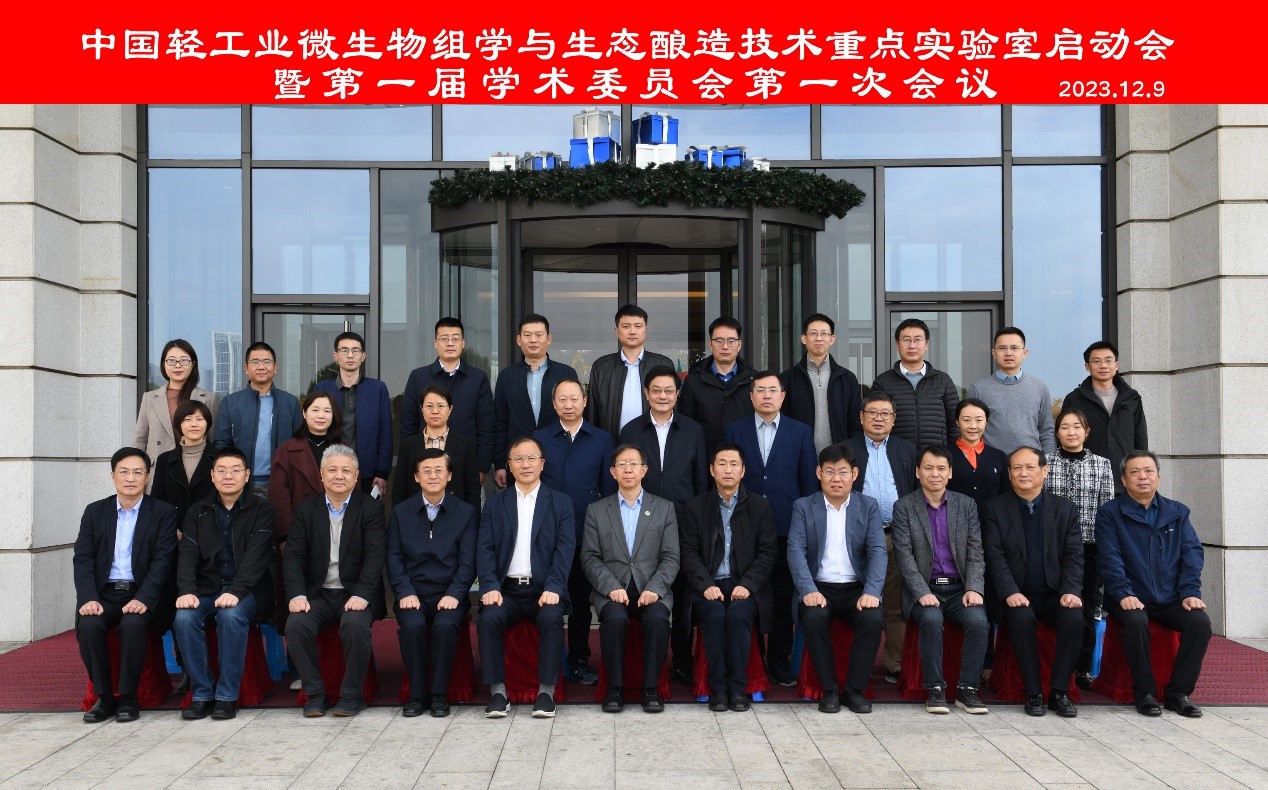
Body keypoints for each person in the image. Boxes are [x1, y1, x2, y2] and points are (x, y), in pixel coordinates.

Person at [1096, 450, 1210, 718]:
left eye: (1148, 471)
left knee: (1200, 623)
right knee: (1136, 622)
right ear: (1123, 480)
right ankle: (1145, 692)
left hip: (1171, 597)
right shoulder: (1110, 513)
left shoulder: (1177, 512)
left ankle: (1178, 693)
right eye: (1134, 472)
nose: (1142, 477)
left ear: (1158, 476)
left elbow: (1192, 554)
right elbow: (1109, 558)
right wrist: (1123, 593)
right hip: (1130, 596)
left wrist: (1189, 592)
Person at [723, 371, 818, 687]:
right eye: (760, 390)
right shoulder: (734, 430)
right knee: (746, 591)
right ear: (751, 396)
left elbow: (808, 484)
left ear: (782, 396)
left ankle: (778, 659)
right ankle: (754, 659)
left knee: (781, 594)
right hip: (744, 524)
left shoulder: (800, 432)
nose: (766, 395)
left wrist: (807, 528)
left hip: (786, 524)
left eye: (772, 390)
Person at [618, 365, 709, 684]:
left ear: (677, 394)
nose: (662, 396)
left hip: (683, 521)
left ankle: (682, 658)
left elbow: (700, 482)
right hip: (639, 522)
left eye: (669, 390)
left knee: (682, 593)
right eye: (656, 390)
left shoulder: (693, 430)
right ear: (646, 394)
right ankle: (644, 660)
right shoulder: (631, 430)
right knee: (643, 587)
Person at [74, 448, 178, 723]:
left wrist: (144, 597)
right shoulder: (95, 512)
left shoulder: (163, 512)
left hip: (142, 592)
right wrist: (88, 597)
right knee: (89, 625)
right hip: (103, 593)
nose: (130, 478)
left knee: (133, 624)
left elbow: (163, 561)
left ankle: (129, 697)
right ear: (113, 476)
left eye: (137, 472)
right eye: (124, 472)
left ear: (147, 477)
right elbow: (83, 558)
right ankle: (105, 697)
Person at [172, 446, 276, 721]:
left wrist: (236, 591)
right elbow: (187, 555)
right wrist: (187, 590)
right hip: (207, 589)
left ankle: (227, 696)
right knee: (184, 617)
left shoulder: (262, 509)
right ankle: (202, 693)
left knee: (231, 615)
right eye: (222, 471)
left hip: (249, 591)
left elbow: (256, 559)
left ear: (247, 475)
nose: (228, 476)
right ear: (212, 475)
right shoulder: (197, 512)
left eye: (235, 470)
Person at [980, 447, 1084, 718]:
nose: (1023, 473)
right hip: (1017, 594)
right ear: (1009, 474)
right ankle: (1033, 693)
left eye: (1030, 467)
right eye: (1017, 468)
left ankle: (1059, 692)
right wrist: (1010, 592)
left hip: (1054, 594)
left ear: (1044, 471)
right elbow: (995, 557)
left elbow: (1074, 556)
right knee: (1021, 617)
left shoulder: (1065, 509)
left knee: (1074, 618)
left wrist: (1071, 590)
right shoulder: (994, 508)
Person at [283, 445, 386, 718]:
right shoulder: (306, 510)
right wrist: (297, 595)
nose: (339, 476)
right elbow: (293, 556)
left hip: (354, 593)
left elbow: (375, 556)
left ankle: (351, 696)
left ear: (356, 476)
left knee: (354, 625)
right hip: (317, 594)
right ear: (321, 474)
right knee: (296, 625)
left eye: (346, 470)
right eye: (332, 470)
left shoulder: (371, 509)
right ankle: (315, 694)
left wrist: (363, 594)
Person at [476, 436, 574, 719]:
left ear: (542, 463)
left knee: (552, 617)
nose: (525, 464)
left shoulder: (560, 503)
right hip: (506, 590)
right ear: (509, 465)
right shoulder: (496, 503)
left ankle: (546, 692)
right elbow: (485, 548)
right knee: (489, 618)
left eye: (531, 458)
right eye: (518, 459)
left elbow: (564, 550)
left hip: (543, 590)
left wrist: (554, 587)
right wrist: (490, 586)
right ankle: (498, 692)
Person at [890, 445, 991, 715]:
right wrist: (922, 592)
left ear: (950, 473)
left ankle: (967, 690)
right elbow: (904, 557)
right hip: (925, 589)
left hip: (959, 589)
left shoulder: (966, 505)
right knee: (932, 619)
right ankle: (935, 689)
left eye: (941, 468)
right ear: (917, 472)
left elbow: (975, 551)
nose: (934, 474)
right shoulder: (904, 507)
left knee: (978, 621)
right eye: (928, 468)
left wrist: (974, 588)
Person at [787, 445, 887, 714]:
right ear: (819, 473)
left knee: (872, 618)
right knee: (813, 618)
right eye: (829, 472)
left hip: (857, 588)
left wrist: (872, 591)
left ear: (854, 474)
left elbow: (878, 551)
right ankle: (829, 689)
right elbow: (795, 551)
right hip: (819, 588)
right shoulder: (803, 506)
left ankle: (855, 690)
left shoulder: (868, 506)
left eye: (843, 472)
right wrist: (808, 589)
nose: (836, 479)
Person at [582, 445, 680, 713]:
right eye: (622, 464)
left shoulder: (664, 509)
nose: (628, 469)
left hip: (652, 589)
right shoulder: (597, 510)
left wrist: (655, 588)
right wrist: (611, 586)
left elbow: (671, 557)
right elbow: (589, 557)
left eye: (634, 464)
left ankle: (650, 688)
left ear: (644, 470)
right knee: (614, 620)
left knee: (657, 619)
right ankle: (615, 688)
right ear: (612, 472)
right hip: (613, 590)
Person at [680, 443, 777, 712]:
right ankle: (718, 688)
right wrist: (705, 585)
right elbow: (688, 553)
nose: (728, 469)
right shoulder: (695, 507)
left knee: (737, 614)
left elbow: (768, 553)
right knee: (713, 614)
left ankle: (737, 688)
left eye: (734, 464)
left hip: (745, 586)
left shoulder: (760, 507)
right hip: (707, 585)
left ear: (743, 471)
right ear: (711, 470)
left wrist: (748, 584)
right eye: (721, 464)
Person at [535, 379, 617, 686]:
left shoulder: (601, 439)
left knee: (581, 601)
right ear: (553, 403)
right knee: (549, 597)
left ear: (584, 401)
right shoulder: (540, 438)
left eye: (574, 399)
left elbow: (608, 491)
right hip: (547, 533)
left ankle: (580, 659)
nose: (569, 405)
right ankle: (551, 661)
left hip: (586, 531)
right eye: (562, 399)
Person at [386, 448, 478, 718]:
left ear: (449, 475)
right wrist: (404, 591)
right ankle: (417, 695)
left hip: (449, 593)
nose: (433, 475)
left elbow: (468, 563)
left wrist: (455, 594)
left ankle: (438, 694)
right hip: (412, 593)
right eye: (426, 471)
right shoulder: (401, 512)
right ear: (416, 477)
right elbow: (393, 558)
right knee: (412, 626)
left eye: (439, 470)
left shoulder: (465, 513)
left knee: (445, 626)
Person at [844, 391, 917, 685]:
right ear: (861, 417)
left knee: (895, 604)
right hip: (855, 537)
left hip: (895, 535)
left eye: (885, 414)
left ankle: (895, 664)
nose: (878, 418)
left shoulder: (907, 450)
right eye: (872, 413)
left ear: (894, 419)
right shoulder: (846, 449)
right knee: (855, 600)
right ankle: (854, 663)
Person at [1044, 408, 1115, 691]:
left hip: (1089, 547)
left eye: (1077, 426)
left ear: (1086, 432)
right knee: (1054, 603)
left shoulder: (1102, 465)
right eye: (1065, 427)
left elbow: (1107, 509)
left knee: (1085, 607)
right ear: (1057, 432)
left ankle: (1083, 668)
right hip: (1051, 547)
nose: (1071, 432)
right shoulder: (1045, 463)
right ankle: (1053, 662)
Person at [492, 314, 580, 489]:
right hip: (519, 457)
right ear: (519, 340)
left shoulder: (565, 373)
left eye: (539, 335)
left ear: (549, 339)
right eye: (527, 335)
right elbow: (500, 421)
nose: (533, 340)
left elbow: (576, 417)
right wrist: (500, 463)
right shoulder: (507, 377)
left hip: (558, 454)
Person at [400, 317, 495, 478]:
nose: (450, 343)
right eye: (444, 338)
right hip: (426, 466)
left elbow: (486, 426)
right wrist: (411, 463)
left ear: (463, 343)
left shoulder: (478, 378)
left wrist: (482, 467)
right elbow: (408, 423)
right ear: (435, 343)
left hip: (467, 464)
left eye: (455, 339)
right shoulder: (418, 377)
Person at [213, 341, 302, 497]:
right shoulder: (230, 402)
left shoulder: (290, 402)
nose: (261, 367)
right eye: (255, 362)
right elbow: (222, 444)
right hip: (241, 485)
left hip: (281, 484)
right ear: (246, 368)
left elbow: (299, 444)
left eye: (267, 362)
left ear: (275, 367)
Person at [1061, 341, 1148, 492]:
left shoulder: (1131, 398)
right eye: (1096, 361)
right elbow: (1064, 439)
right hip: (1086, 479)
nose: (1103, 366)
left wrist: (1141, 471)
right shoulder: (1074, 399)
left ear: (1116, 365)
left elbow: (1140, 440)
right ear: (1087, 366)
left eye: (1108, 360)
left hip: (1124, 479)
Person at [314, 332, 392, 496]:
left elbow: (385, 433)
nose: (350, 355)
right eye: (344, 350)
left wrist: (382, 472)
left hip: (368, 472)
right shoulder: (322, 389)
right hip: (331, 470)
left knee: (365, 512)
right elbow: (314, 430)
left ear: (363, 356)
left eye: (355, 350)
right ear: (336, 356)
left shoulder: (378, 389)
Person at [585, 304, 675, 439]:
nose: (632, 331)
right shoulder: (601, 366)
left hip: (654, 442)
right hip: (611, 443)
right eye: (626, 326)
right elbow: (592, 412)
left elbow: (674, 409)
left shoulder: (663, 364)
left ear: (645, 329)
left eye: (638, 326)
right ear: (617, 330)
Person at [868, 319, 960, 451]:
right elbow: (874, 422)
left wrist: (950, 454)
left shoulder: (943, 380)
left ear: (926, 344)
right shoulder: (883, 382)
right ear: (897, 344)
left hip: (936, 457)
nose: (912, 345)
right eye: (906, 340)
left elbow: (955, 423)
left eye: (917, 340)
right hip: (896, 455)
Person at [779, 313, 863, 452]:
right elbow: (782, 421)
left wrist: (849, 454)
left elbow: (855, 423)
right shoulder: (787, 379)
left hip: (838, 457)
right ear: (804, 338)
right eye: (813, 333)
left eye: (824, 334)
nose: (819, 338)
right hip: (798, 454)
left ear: (832, 339)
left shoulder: (847, 379)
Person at [133, 339, 220, 474]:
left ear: (193, 364)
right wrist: (137, 472)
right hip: (157, 471)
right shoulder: (149, 398)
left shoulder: (209, 398)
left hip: (195, 470)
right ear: (164, 364)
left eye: (184, 360)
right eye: (171, 361)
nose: (177, 365)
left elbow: (213, 440)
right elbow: (139, 440)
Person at [967, 327, 1056, 455]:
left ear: (1024, 353)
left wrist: (1049, 461)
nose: (1008, 353)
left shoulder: (1039, 388)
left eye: (1014, 348)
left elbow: (1046, 430)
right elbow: (970, 431)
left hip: (1030, 462)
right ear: (994, 353)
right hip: (992, 461)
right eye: (1002, 348)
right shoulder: (979, 389)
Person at [393, 385, 481, 509]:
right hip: (415, 514)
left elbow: (473, 492)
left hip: (455, 514)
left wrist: (472, 519)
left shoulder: (465, 444)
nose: (435, 411)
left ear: (450, 409)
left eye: (440, 406)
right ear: (422, 409)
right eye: (429, 406)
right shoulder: (408, 445)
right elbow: (399, 490)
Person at [680, 317, 756, 453]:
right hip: (705, 458)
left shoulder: (754, 380)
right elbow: (686, 426)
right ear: (710, 344)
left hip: (745, 458)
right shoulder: (693, 381)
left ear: (739, 345)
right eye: (719, 341)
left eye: (731, 341)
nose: (725, 346)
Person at [150, 400, 217, 525]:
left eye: (199, 419)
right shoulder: (165, 460)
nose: (194, 424)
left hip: (211, 529)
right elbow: (157, 501)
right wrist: (170, 528)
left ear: (207, 423)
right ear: (179, 424)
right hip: (174, 530)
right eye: (187, 419)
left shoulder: (220, 458)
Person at [947, 399, 1011, 508]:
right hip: (954, 517)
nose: (973, 426)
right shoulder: (945, 456)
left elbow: (1006, 495)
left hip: (992, 518)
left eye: (979, 420)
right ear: (957, 422)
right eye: (966, 420)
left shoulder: (999, 456)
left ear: (986, 422)